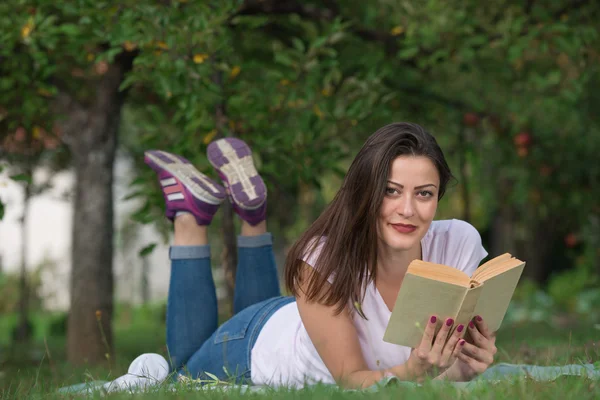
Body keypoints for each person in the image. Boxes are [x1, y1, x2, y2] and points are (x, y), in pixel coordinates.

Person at [115, 122, 497, 391]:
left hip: (305, 318)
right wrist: (415, 370)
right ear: (365, 192)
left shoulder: (459, 244)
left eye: (424, 193)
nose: (408, 209)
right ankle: (190, 219)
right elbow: (352, 381)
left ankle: (253, 217)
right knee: (179, 373)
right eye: (391, 191)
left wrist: (462, 368)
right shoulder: (325, 258)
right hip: (255, 346)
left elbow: (431, 377)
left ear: (439, 196)